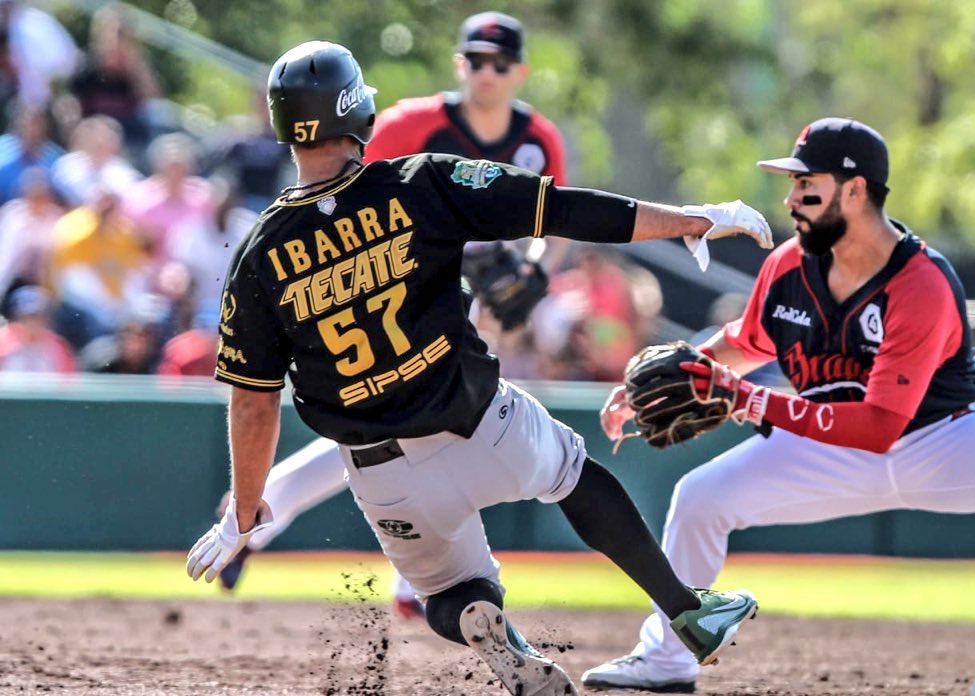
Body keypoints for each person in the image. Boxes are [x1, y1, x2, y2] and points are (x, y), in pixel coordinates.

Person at [185, 41, 772, 695]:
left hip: (382, 475)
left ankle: (482, 625)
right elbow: (567, 210)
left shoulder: (259, 253)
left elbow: (254, 403)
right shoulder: (419, 182)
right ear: (356, 114)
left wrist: (243, 515)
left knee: (448, 592)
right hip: (482, 422)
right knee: (574, 475)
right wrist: (691, 221)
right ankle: (686, 612)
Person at [581, 117, 975, 693]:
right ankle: (667, 660)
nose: (790, 199)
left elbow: (879, 426)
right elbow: (745, 343)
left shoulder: (921, 283)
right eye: (792, 185)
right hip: (822, 443)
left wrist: (748, 399)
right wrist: (674, 377)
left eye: (806, 185)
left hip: (940, 439)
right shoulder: (788, 264)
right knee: (700, 498)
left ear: (856, 190)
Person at [211, 10, 568, 604]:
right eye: (476, 60)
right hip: (408, 288)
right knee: (413, 419)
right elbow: (350, 194)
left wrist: (538, 270)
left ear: (519, 72)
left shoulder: (539, 139)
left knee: (436, 422)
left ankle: (287, 521)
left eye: (499, 64)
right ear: (460, 64)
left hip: (480, 295)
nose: (486, 73)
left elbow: (552, 219)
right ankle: (287, 520)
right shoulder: (416, 124)